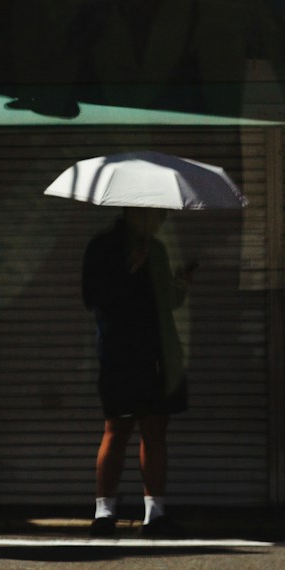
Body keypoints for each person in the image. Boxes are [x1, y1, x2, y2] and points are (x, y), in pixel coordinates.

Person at [81, 207, 195, 535]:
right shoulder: (103, 247)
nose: (160, 220)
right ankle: (104, 514)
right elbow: (93, 298)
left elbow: (164, 301)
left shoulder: (156, 249)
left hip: (159, 352)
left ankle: (155, 514)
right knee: (117, 429)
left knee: (155, 430)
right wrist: (128, 268)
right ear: (135, 211)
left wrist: (180, 285)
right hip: (121, 354)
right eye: (156, 214)